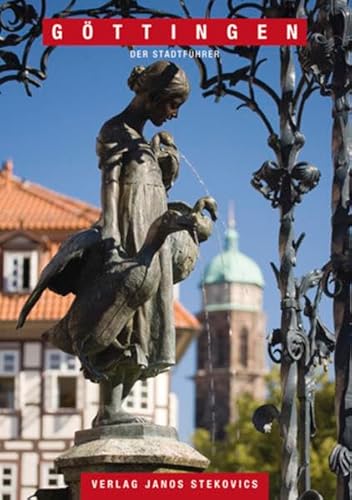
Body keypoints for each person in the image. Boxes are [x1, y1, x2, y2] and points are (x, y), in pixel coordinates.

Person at [92, 61, 190, 426]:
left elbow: (157, 188)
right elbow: (111, 185)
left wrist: (166, 165)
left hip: (153, 224)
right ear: (152, 96)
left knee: (152, 319)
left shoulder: (145, 140)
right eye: (172, 104)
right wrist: (111, 235)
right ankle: (109, 409)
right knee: (129, 316)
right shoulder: (115, 130)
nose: (174, 114)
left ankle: (114, 408)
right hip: (132, 226)